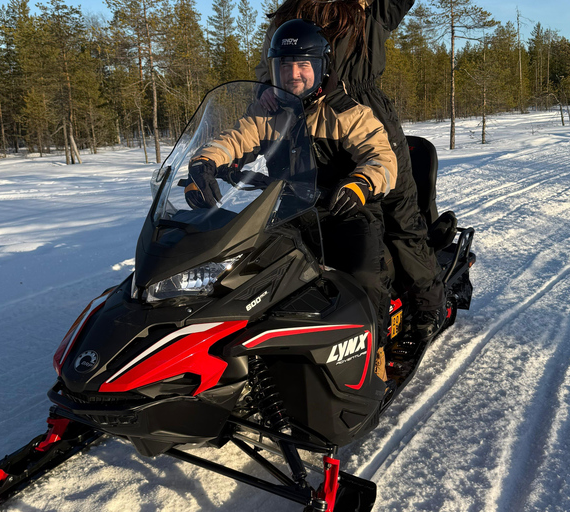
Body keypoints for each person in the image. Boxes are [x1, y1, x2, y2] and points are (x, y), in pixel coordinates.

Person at [186, 19, 395, 382]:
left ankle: (374, 349)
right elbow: (232, 139)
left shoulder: (348, 113)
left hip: (345, 212)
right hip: (290, 212)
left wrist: (359, 185)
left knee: (363, 277)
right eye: (285, 65)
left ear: (320, 67)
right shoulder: (269, 114)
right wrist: (204, 163)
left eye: (302, 64)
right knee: (241, 273)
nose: (293, 74)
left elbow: (382, 158)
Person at [255, 0, 447, 342]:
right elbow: (265, 66)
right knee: (298, 220)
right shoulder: (287, 14)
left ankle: (427, 304)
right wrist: (264, 89)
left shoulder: (369, 11)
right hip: (306, 124)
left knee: (401, 218)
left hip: (367, 122)